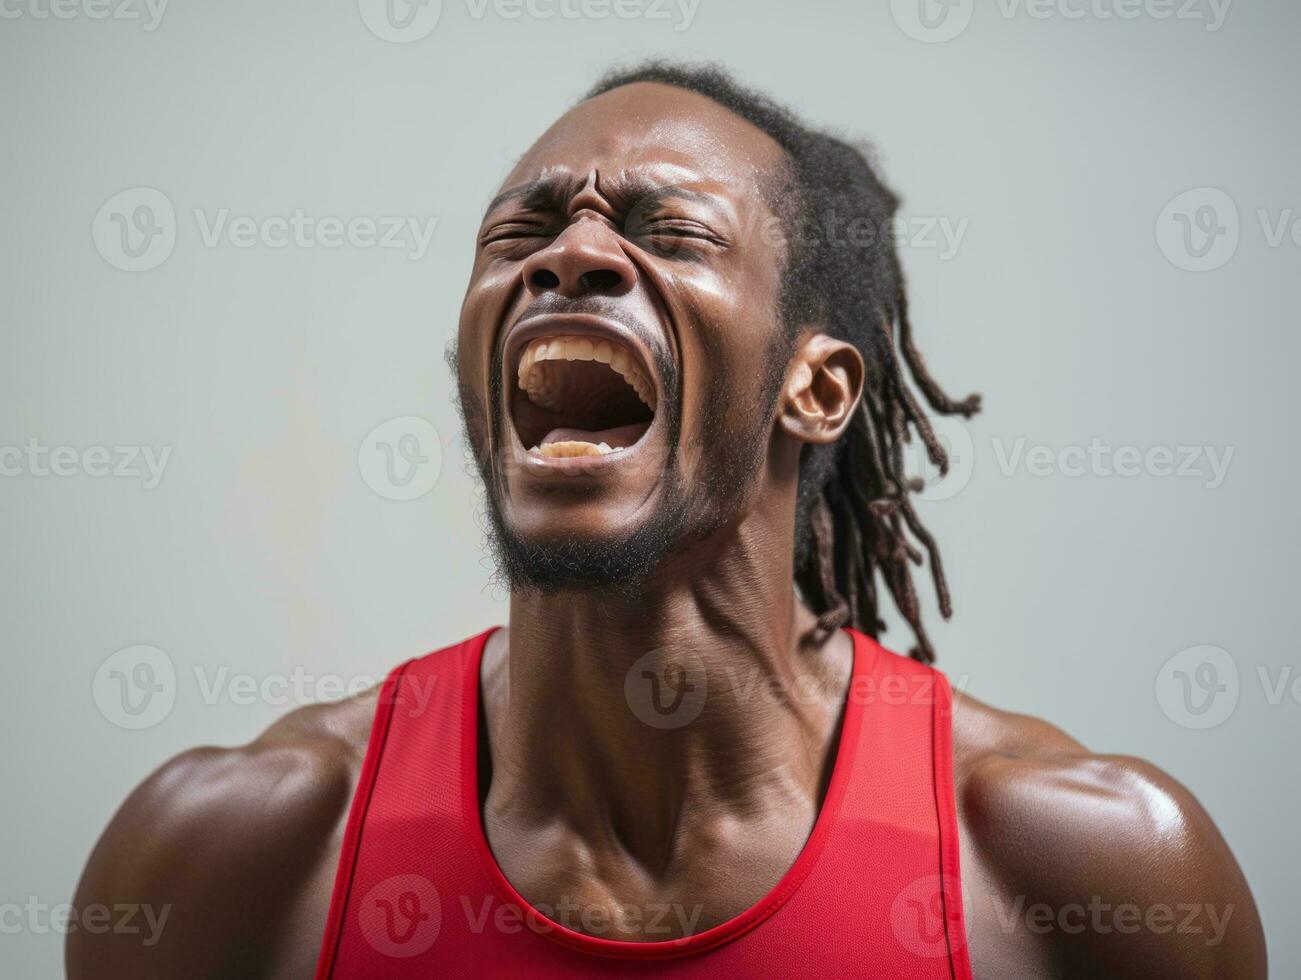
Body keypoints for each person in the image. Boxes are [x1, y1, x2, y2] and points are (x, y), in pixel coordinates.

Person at [69, 62, 1266, 978]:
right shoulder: (239, 855)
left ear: (817, 387)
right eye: (521, 233)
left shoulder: (1082, 871)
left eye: (667, 231)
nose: (573, 253)